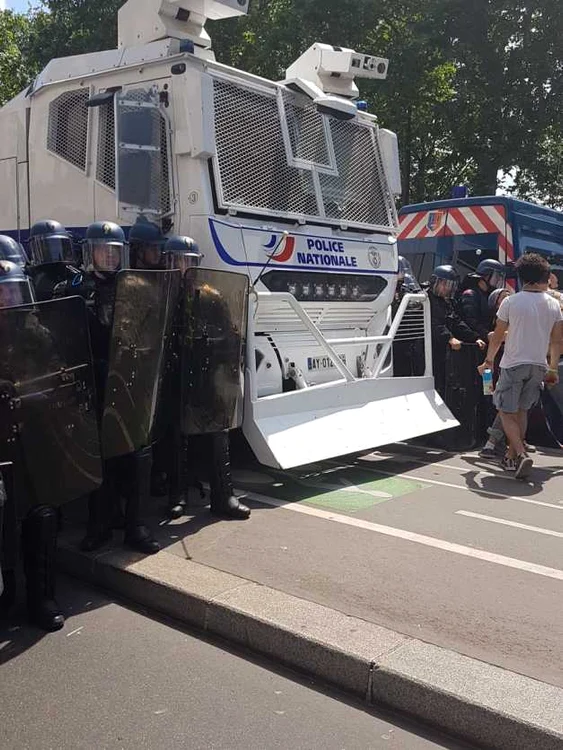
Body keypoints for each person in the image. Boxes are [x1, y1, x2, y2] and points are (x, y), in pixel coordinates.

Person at [79, 221, 160, 554]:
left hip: (129, 381)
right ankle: (99, 526)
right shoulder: (76, 290)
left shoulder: (137, 288)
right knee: (99, 459)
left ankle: (136, 527)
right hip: (94, 383)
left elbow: (151, 333)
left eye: (115, 252)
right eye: (103, 251)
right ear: (91, 252)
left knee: (137, 454)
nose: (110, 258)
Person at [478, 253, 563, 478]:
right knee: (522, 411)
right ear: (544, 276)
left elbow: (496, 337)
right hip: (538, 365)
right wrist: (552, 367)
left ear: (522, 277)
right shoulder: (554, 304)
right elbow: (557, 340)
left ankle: (521, 453)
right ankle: (512, 457)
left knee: (505, 410)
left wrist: (488, 360)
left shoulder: (511, 301)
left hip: (513, 362)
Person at [427, 265, 486, 398]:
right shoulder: (425, 299)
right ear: (435, 282)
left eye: (450, 285)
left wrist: (474, 337)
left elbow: (456, 321)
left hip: (443, 352)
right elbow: (433, 323)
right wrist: (449, 338)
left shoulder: (446, 302)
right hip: (426, 350)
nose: (447, 288)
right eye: (444, 284)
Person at [26, 220, 82, 301]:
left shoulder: (73, 273)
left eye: (57, 247)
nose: (52, 251)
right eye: (46, 248)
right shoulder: (30, 276)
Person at [457, 258, 506, 341]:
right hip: (474, 344)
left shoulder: (489, 295)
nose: (498, 279)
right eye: (496, 275)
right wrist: (486, 334)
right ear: (486, 276)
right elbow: (470, 322)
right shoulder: (470, 295)